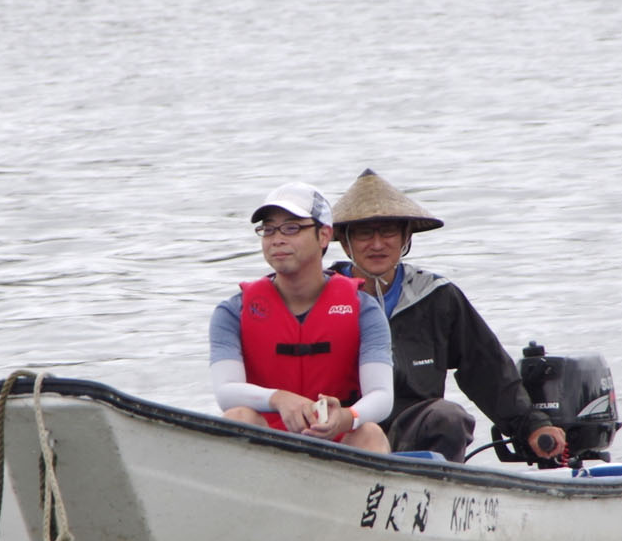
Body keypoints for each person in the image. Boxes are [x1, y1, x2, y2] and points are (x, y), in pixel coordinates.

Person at [328, 169, 567, 464]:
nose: (377, 244)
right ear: (344, 240)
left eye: (388, 231)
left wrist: (532, 424)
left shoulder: (437, 296)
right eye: (365, 233)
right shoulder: (322, 296)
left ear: (406, 236)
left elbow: (486, 368)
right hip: (343, 428)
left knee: (449, 416)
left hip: (414, 426)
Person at [209, 182, 392, 451]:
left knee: (370, 432)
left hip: (335, 438)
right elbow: (226, 393)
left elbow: (382, 396)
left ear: (324, 236)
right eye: (268, 229)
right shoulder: (231, 312)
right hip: (268, 438)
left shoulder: (364, 310)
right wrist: (278, 399)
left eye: (292, 228)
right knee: (237, 417)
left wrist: (346, 417)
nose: (277, 239)